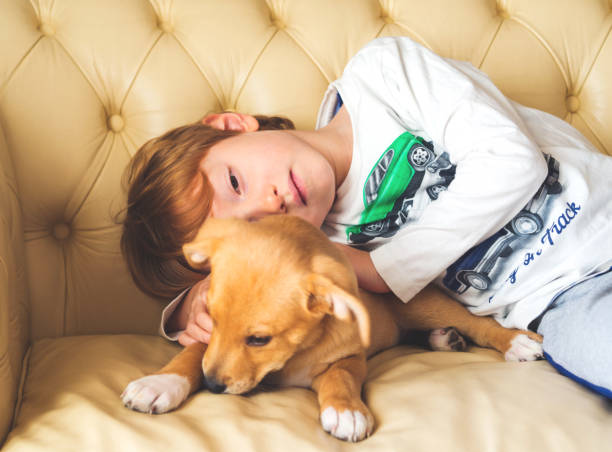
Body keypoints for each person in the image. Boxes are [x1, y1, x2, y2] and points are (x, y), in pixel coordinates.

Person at [121, 37, 612, 397]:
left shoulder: (382, 75)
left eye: (233, 182)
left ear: (232, 126)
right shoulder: (320, 256)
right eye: (254, 228)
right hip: (558, 302)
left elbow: (513, 161)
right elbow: (246, 296)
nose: (270, 205)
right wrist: (189, 309)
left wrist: (381, 271)